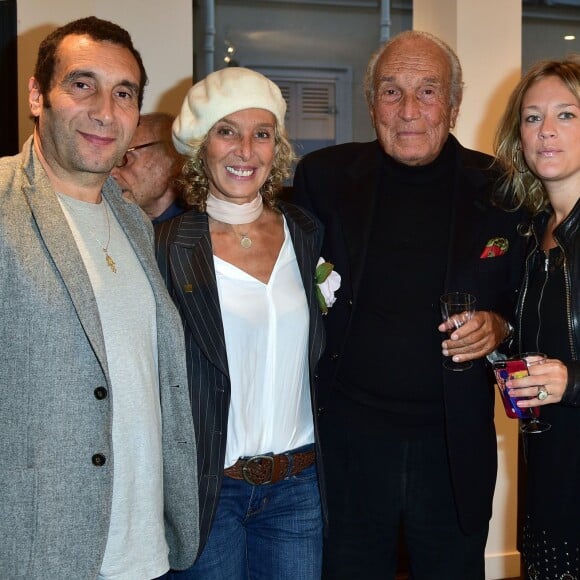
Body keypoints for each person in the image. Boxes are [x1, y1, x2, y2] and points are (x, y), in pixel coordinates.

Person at [292, 30, 525, 579]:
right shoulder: (322, 178)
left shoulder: (502, 189)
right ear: (371, 102)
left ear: (454, 104)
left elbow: (525, 299)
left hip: (453, 441)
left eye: (427, 90)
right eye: (392, 92)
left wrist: (501, 324)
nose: (409, 110)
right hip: (347, 438)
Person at [0, 17, 199, 579]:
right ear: (38, 95)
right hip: (40, 553)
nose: (105, 111)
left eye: (123, 93)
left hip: (143, 551)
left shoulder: (134, 223)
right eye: (81, 85)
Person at [155, 67, 329, 580]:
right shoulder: (167, 246)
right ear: (199, 145)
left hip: (299, 487)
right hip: (211, 491)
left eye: (262, 134)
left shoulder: (305, 232)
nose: (245, 151)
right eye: (227, 131)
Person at [494, 56, 580, 580]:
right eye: (532, 117)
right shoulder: (528, 236)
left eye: (566, 115)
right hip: (546, 482)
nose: (546, 131)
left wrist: (572, 382)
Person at [112, 112, 189, 224]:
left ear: (172, 158)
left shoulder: (204, 230)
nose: (111, 172)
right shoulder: (111, 226)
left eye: (125, 157)